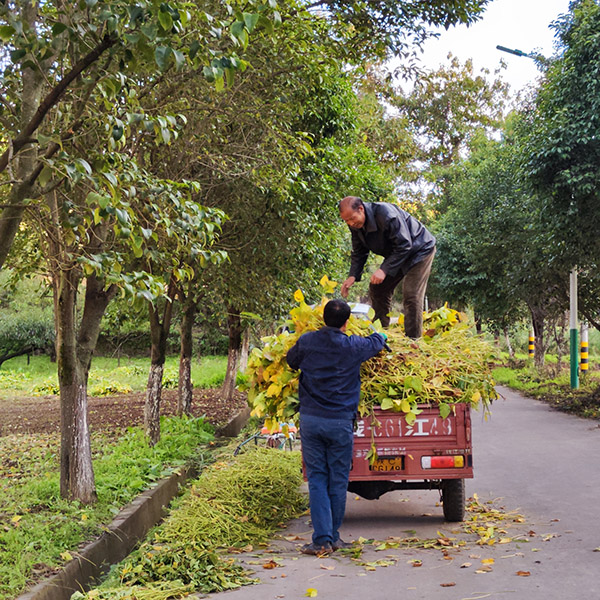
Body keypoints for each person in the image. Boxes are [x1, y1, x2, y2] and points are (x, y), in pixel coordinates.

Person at [286, 299, 386, 555]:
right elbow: (376, 343)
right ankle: (334, 537)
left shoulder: (308, 341)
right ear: (346, 322)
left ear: (323, 318)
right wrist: (382, 333)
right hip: (340, 422)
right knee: (338, 480)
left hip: (311, 420)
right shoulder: (352, 345)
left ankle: (322, 540)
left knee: (318, 478)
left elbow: (291, 361)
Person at [338, 196, 436, 337]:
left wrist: (384, 270)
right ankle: (380, 335)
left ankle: (413, 341)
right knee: (378, 288)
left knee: (411, 295)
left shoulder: (387, 215)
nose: (350, 224)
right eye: (346, 221)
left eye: (352, 219)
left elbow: (405, 244)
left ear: (361, 209)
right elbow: (359, 252)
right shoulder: (355, 225)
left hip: (419, 250)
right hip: (398, 254)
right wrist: (352, 275)